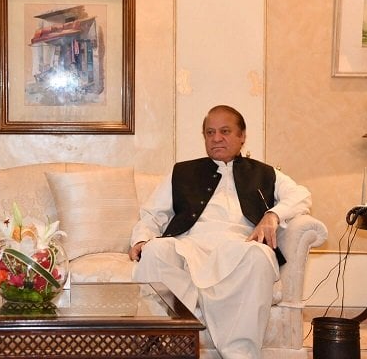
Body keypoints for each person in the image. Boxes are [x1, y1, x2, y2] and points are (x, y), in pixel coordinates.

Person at [128, 105, 311, 358]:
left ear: (242, 135)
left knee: (259, 257)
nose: (216, 138)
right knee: (156, 250)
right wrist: (141, 239)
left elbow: (302, 196)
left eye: (225, 131)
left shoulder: (266, 173)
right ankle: (162, 348)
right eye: (209, 132)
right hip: (190, 244)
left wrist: (273, 215)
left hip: (240, 247)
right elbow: (152, 214)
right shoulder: (181, 171)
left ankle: (240, 353)